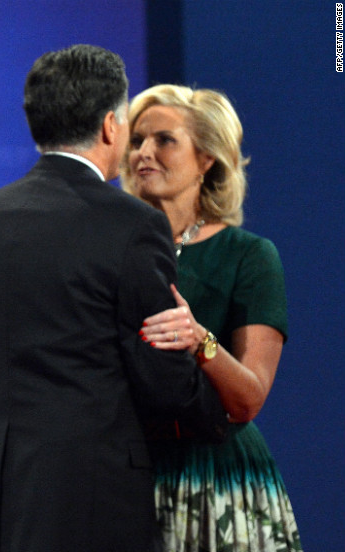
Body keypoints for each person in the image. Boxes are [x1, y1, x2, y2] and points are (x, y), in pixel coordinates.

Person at [0, 44, 228, 552]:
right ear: (110, 126)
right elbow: (161, 379)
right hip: (87, 501)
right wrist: (219, 411)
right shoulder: (133, 225)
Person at [125, 85, 302, 551]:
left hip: (218, 483)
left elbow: (248, 399)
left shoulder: (250, 256)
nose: (144, 153)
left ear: (206, 159)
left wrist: (199, 339)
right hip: (127, 478)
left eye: (164, 140)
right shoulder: (109, 252)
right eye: (136, 140)